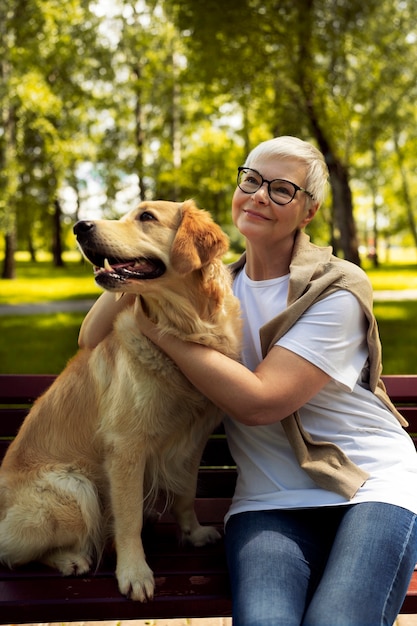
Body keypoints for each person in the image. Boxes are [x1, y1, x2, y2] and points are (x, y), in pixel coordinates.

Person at [79, 136, 417, 625]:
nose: (260, 195)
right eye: (252, 181)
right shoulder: (211, 284)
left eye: (282, 190)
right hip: (268, 500)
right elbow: (91, 336)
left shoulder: (337, 287)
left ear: (308, 211)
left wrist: (161, 333)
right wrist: (132, 273)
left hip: (369, 488)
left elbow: (261, 403)